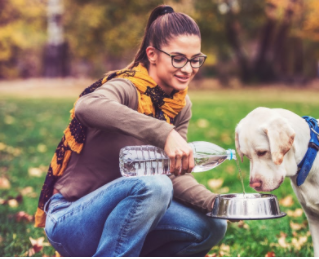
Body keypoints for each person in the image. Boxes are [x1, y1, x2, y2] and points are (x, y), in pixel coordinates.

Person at [34, 5, 227, 257]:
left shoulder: (179, 105)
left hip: (128, 214)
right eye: (178, 58)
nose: (189, 68)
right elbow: (87, 105)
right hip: (72, 217)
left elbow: (172, 172)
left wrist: (216, 203)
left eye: (195, 59)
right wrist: (163, 132)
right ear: (152, 54)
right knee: (155, 186)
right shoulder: (126, 87)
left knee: (213, 225)